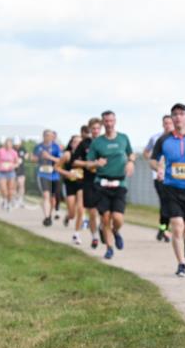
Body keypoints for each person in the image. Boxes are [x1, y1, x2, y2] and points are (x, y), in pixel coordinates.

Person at [150, 103, 185, 277]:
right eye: (174, 114)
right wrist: (158, 168)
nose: (178, 117)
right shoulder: (164, 140)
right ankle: (181, 264)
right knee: (176, 227)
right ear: (172, 118)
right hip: (171, 188)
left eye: (181, 113)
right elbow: (152, 160)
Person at [87, 110, 135, 260]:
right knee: (106, 217)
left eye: (111, 121)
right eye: (106, 121)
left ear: (115, 121)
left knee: (118, 218)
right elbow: (89, 163)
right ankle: (109, 248)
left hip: (119, 183)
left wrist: (131, 162)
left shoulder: (123, 138)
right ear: (103, 123)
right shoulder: (97, 142)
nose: (109, 124)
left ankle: (116, 231)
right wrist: (96, 163)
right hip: (102, 184)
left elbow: (131, 153)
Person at [143, 114, 175, 243]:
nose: (168, 125)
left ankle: (163, 228)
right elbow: (146, 153)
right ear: (162, 124)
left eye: (170, 123)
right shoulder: (155, 138)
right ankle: (165, 230)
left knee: (171, 202)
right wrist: (154, 159)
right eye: (165, 123)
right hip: (158, 176)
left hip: (174, 176)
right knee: (165, 201)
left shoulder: (177, 138)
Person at [74, 118, 103, 248]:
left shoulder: (106, 142)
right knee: (92, 212)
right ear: (90, 129)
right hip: (89, 181)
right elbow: (74, 161)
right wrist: (88, 164)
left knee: (105, 212)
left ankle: (102, 228)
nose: (95, 131)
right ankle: (95, 236)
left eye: (98, 128)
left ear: (101, 129)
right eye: (93, 128)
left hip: (103, 179)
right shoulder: (84, 143)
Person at [57, 134, 86, 244]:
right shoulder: (67, 155)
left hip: (82, 184)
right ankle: (67, 216)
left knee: (81, 209)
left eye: (80, 142)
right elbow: (56, 167)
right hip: (70, 184)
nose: (77, 144)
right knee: (72, 213)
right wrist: (67, 173)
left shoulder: (85, 155)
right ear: (71, 144)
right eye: (75, 142)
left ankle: (76, 234)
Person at [33, 130, 62, 226]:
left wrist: (49, 157)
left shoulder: (56, 147)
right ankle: (47, 218)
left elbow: (60, 160)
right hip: (43, 174)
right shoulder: (38, 147)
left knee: (53, 199)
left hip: (54, 175)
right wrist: (35, 158)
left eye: (51, 135)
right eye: (47, 135)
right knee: (46, 196)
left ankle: (49, 214)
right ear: (43, 136)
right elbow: (34, 158)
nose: (49, 137)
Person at [0, 138, 19, 210]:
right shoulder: (0, 151)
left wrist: (14, 165)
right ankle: (4, 200)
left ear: (11, 145)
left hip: (11, 172)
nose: (8, 145)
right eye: (7, 144)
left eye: (9, 144)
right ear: (5, 144)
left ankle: (8, 203)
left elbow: (17, 162)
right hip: (2, 172)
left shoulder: (14, 152)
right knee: (3, 189)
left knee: (10, 190)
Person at [13, 138, 28, 207]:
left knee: (21, 185)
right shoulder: (12, 149)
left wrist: (24, 157)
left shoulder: (23, 149)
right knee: (14, 186)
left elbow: (27, 155)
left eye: (18, 144)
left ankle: (20, 200)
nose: (17, 146)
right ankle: (14, 199)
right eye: (16, 144)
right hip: (13, 170)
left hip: (21, 170)